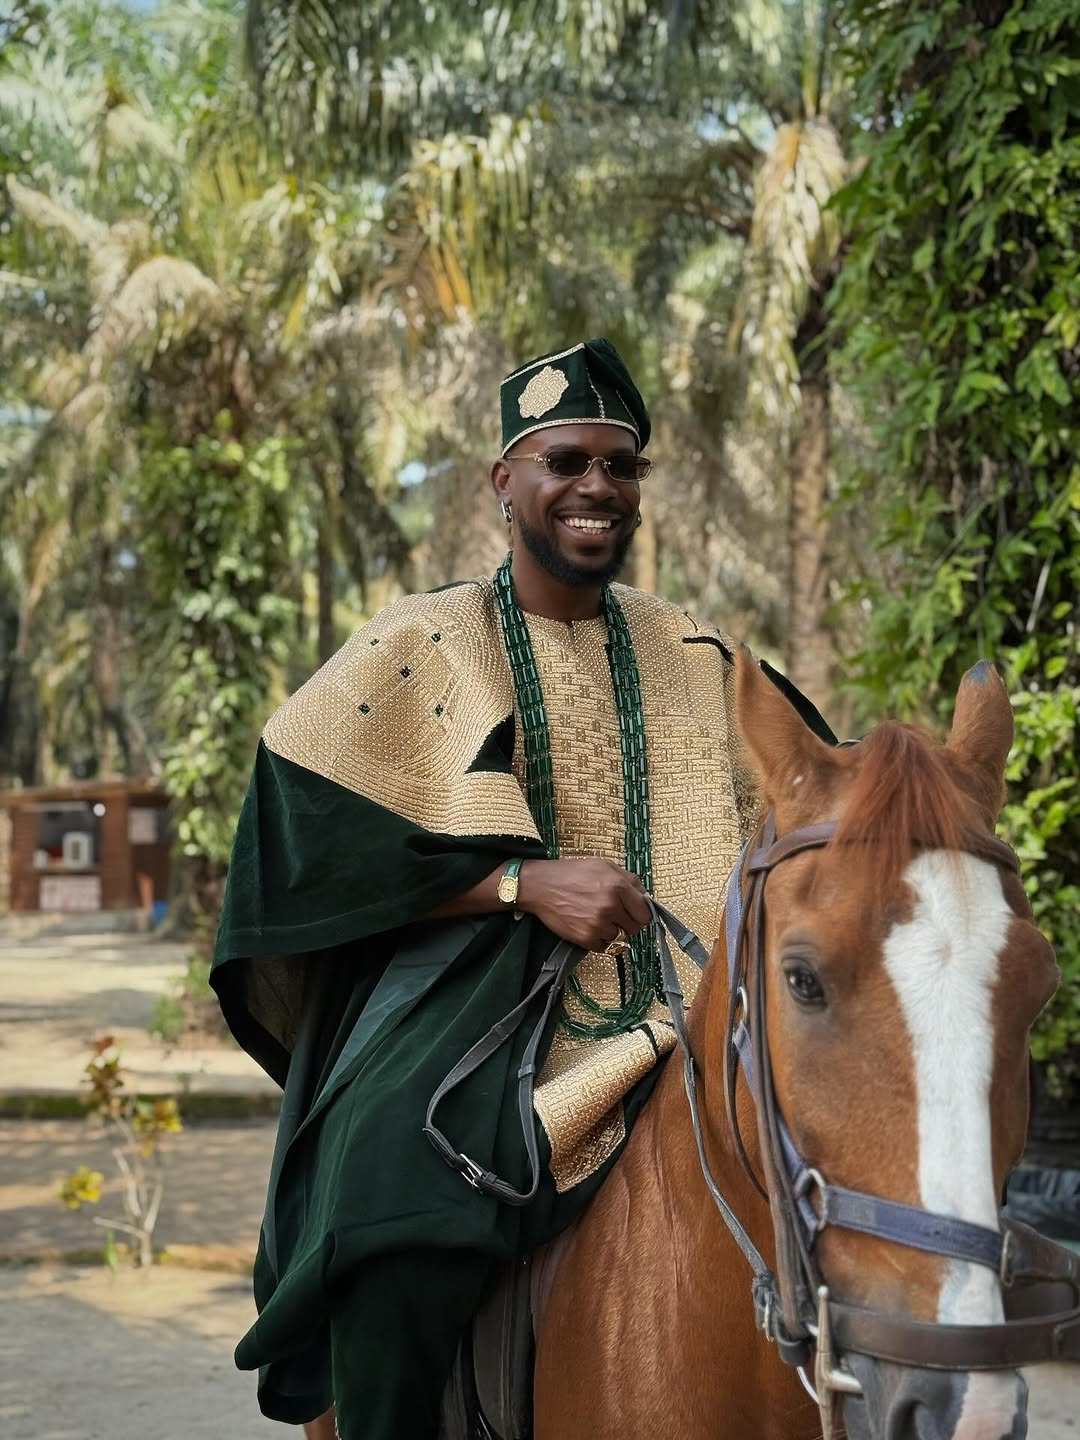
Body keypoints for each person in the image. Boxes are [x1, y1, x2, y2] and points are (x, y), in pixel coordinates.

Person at [211, 337, 833, 1440]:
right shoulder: (424, 642)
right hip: (493, 1020)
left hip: (714, 1014)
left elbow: (818, 806)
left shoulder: (704, 655)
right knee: (386, 1209)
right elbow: (301, 854)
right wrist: (518, 883)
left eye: (619, 466)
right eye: (567, 461)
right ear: (506, 481)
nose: (596, 487)